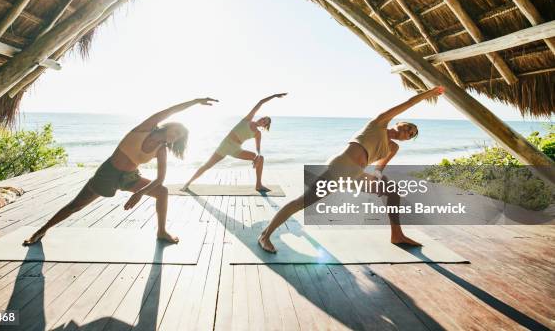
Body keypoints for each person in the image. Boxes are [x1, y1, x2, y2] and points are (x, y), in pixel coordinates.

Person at [258, 87, 446, 253]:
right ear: (398, 123)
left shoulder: (393, 148)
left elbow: (379, 167)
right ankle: (265, 235)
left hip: (355, 174)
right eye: (407, 127)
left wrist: (377, 177)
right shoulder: (378, 123)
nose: (407, 132)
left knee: (391, 191)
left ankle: (397, 235)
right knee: (303, 201)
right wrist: (429, 93)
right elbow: (408, 103)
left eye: (411, 134)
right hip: (340, 166)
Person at [22, 97, 218, 246]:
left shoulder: (162, 150)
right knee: (76, 206)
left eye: (179, 137)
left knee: (162, 191)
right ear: (169, 127)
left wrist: (140, 193)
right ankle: (42, 229)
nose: (175, 137)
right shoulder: (145, 128)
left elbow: (160, 179)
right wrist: (194, 102)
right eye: (176, 132)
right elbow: (168, 110)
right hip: (108, 172)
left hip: (130, 178)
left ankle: (162, 232)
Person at [181, 93, 287, 193]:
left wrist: (257, 156)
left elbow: (258, 148)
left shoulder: (258, 134)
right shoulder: (247, 119)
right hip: (225, 146)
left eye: (265, 122)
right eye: (263, 118)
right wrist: (274, 96)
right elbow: (260, 102)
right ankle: (187, 183)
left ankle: (258, 185)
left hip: (236, 149)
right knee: (207, 165)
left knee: (260, 157)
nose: (262, 120)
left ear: (264, 126)